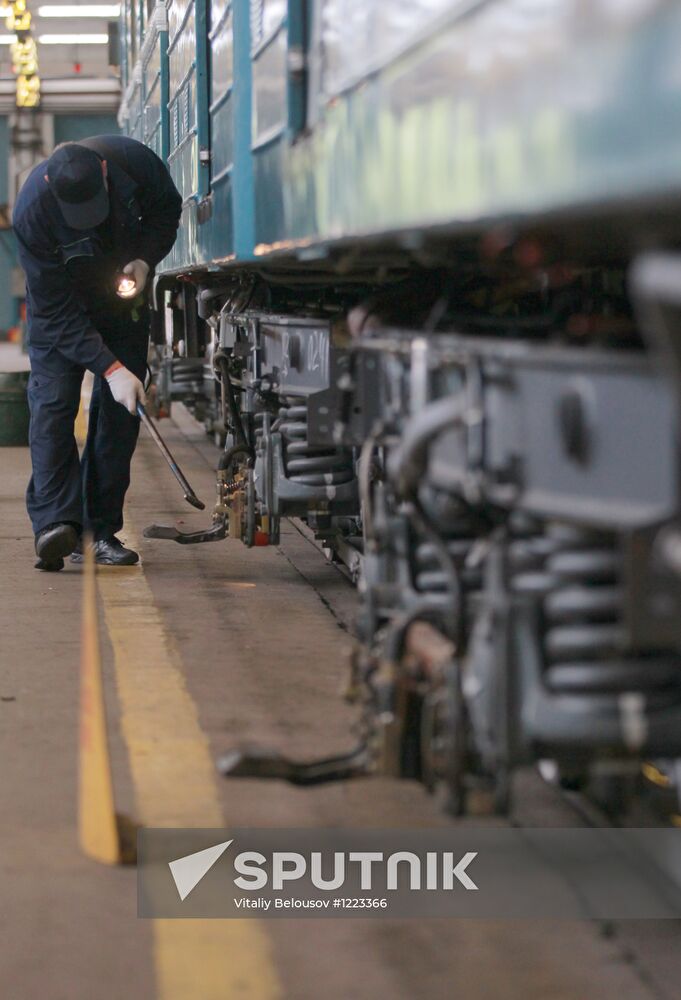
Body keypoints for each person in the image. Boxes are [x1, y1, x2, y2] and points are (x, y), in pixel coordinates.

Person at [13, 134, 182, 570]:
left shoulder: (136, 163)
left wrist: (145, 259)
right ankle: (55, 527)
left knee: (118, 421)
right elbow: (54, 312)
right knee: (52, 407)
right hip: (61, 313)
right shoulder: (31, 211)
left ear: (104, 173)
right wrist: (110, 368)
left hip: (122, 305)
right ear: (50, 185)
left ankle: (97, 533)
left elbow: (167, 210)